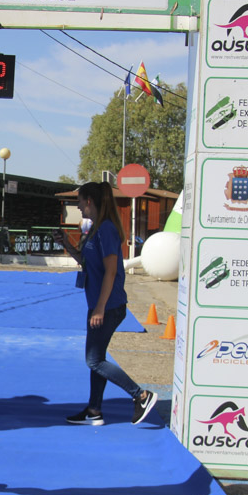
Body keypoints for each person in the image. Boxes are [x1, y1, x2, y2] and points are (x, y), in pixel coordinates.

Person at [53, 181, 156, 427]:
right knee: (97, 358)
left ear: (89, 201)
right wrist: (66, 243)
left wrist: (99, 308)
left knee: (94, 360)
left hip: (108, 306)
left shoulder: (106, 229)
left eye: (79, 201)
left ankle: (140, 395)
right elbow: (88, 264)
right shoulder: (95, 229)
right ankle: (94, 410)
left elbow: (111, 272)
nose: (77, 206)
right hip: (100, 304)